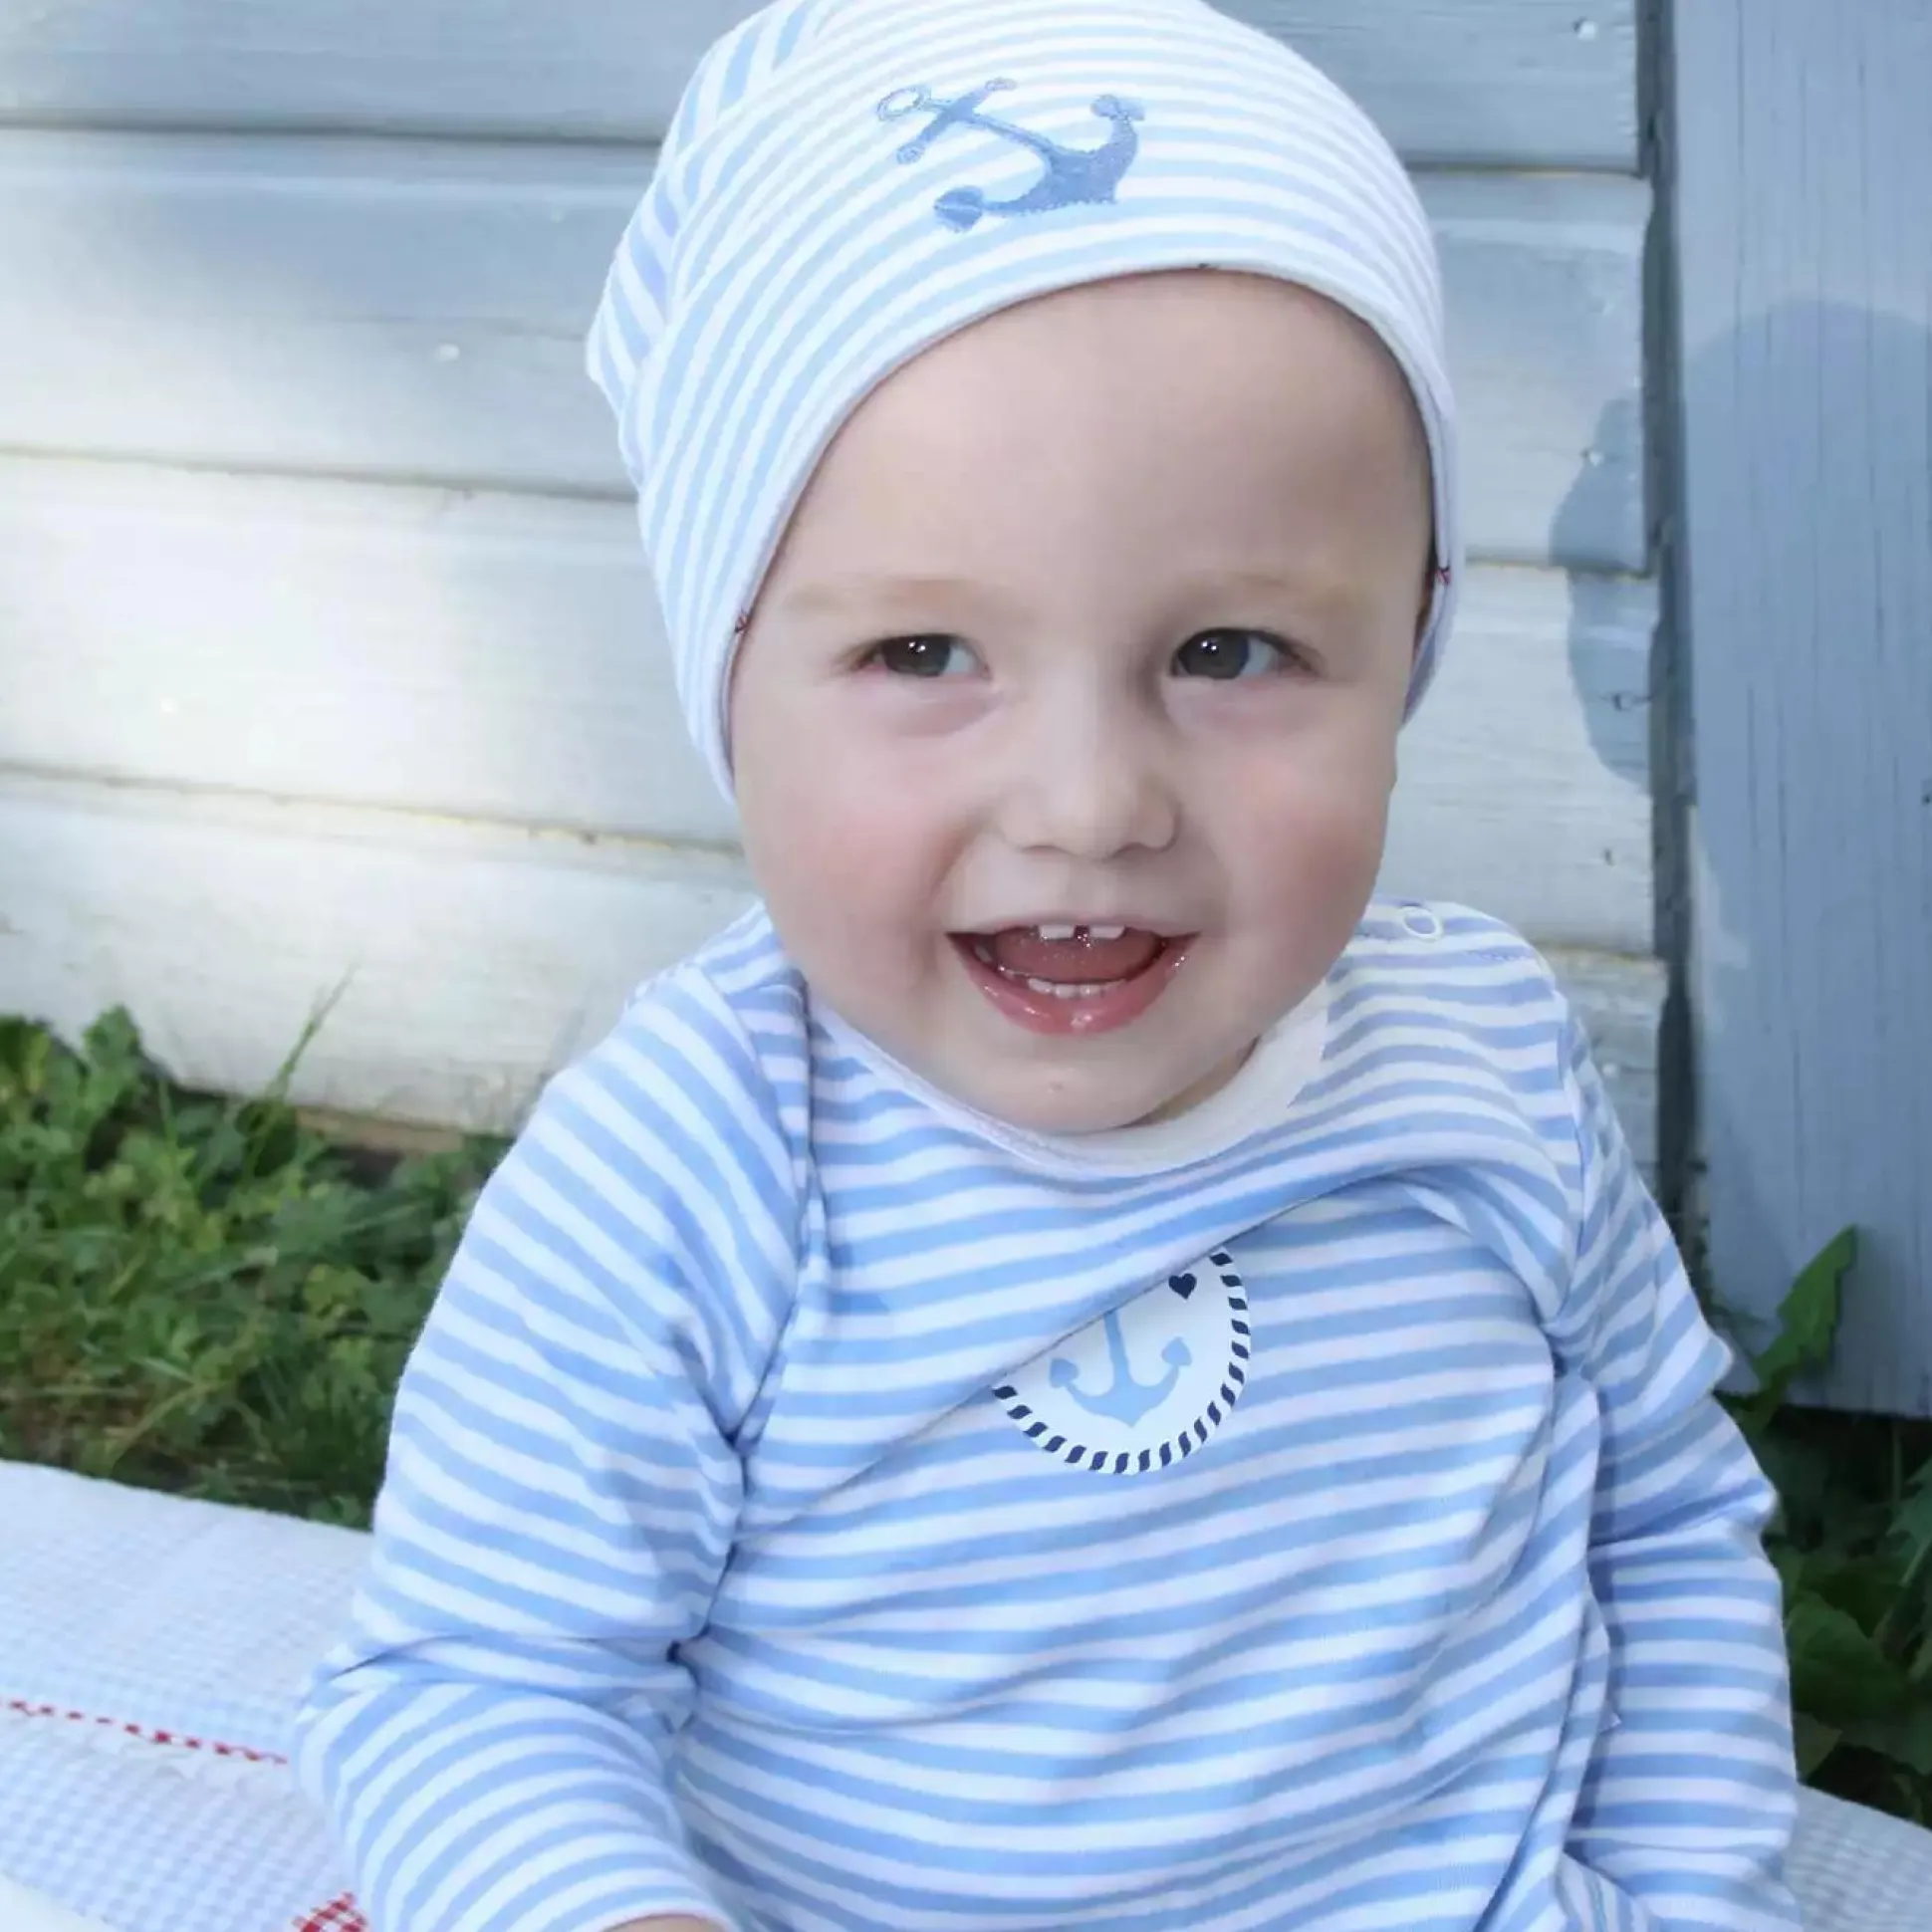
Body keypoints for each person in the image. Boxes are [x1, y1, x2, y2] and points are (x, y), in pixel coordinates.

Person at [293, 1, 1801, 1926]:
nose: (1090, 803)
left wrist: (1690, 1896)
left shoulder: (1480, 1062)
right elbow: (476, 1687)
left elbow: (1659, 1519)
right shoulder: (692, 1168)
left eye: (1230, 652)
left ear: (1405, 650)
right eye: (924, 655)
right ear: (729, 675)